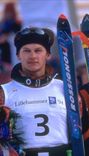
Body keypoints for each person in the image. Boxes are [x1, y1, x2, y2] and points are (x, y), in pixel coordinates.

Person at [0, 27, 71, 155]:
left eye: (38, 50)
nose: (32, 56)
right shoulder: (4, 92)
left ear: (48, 55)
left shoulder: (65, 88)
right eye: (26, 51)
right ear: (18, 55)